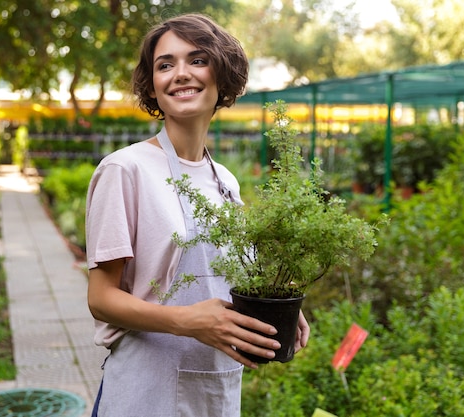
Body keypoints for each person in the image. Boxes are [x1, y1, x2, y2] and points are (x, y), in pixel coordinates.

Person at [85, 13, 310, 417]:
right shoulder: (125, 170)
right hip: (145, 391)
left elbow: (233, 277)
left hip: (216, 389)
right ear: (152, 88)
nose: (180, 74)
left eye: (197, 60)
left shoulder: (224, 180)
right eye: (165, 65)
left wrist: (278, 304)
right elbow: (101, 300)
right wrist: (186, 321)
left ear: (222, 76)